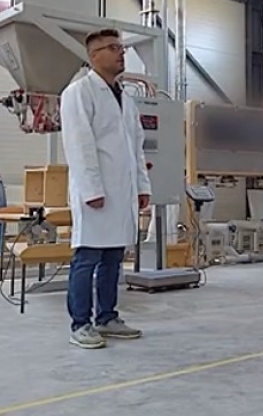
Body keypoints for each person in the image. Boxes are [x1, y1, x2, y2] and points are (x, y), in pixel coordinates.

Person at [60, 28, 152, 349]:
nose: (121, 53)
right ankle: (80, 323)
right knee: (87, 257)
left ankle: (107, 317)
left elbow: (135, 146)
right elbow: (79, 144)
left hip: (121, 191)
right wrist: (91, 189)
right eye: (113, 48)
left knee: (113, 257)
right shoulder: (79, 92)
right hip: (96, 192)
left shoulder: (126, 99)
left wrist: (142, 186)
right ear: (94, 55)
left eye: (122, 48)